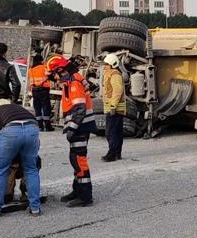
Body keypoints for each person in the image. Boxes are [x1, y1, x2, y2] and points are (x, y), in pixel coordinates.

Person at [0, 99, 42, 217]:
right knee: (31, 169)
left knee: (0, 171)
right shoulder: (15, 109)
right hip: (32, 127)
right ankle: (35, 208)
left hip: (10, 130)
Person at [47, 56, 96, 207]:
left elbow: (79, 109)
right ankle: (77, 190)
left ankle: (85, 196)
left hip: (80, 127)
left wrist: (72, 128)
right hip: (81, 126)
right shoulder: (72, 79)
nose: (55, 78)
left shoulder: (74, 82)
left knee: (79, 160)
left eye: (55, 74)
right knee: (75, 158)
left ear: (61, 71)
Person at [101, 53, 126, 162]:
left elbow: (117, 91)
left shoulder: (115, 75)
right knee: (116, 131)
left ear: (112, 65)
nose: (104, 66)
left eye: (106, 64)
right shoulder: (110, 73)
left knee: (111, 132)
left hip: (114, 109)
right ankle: (117, 153)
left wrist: (113, 106)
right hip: (112, 108)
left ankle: (112, 154)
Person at [28, 55, 54, 132]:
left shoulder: (31, 69)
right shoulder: (44, 67)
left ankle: (40, 126)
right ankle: (47, 126)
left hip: (35, 90)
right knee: (46, 107)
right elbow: (50, 76)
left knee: (37, 108)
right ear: (40, 61)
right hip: (44, 90)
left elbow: (31, 82)